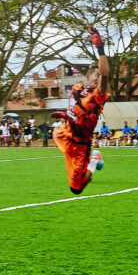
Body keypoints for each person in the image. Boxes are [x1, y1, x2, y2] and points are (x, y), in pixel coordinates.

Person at [51, 26, 108, 195]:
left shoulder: (98, 96)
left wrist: (100, 48)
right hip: (64, 135)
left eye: (100, 77)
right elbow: (75, 109)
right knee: (55, 132)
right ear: (87, 77)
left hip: (81, 146)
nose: (99, 79)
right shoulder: (76, 88)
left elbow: (105, 74)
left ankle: (94, 159)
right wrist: (65, 116)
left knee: (76, 189)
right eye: (96, 76)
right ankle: (89, 163)